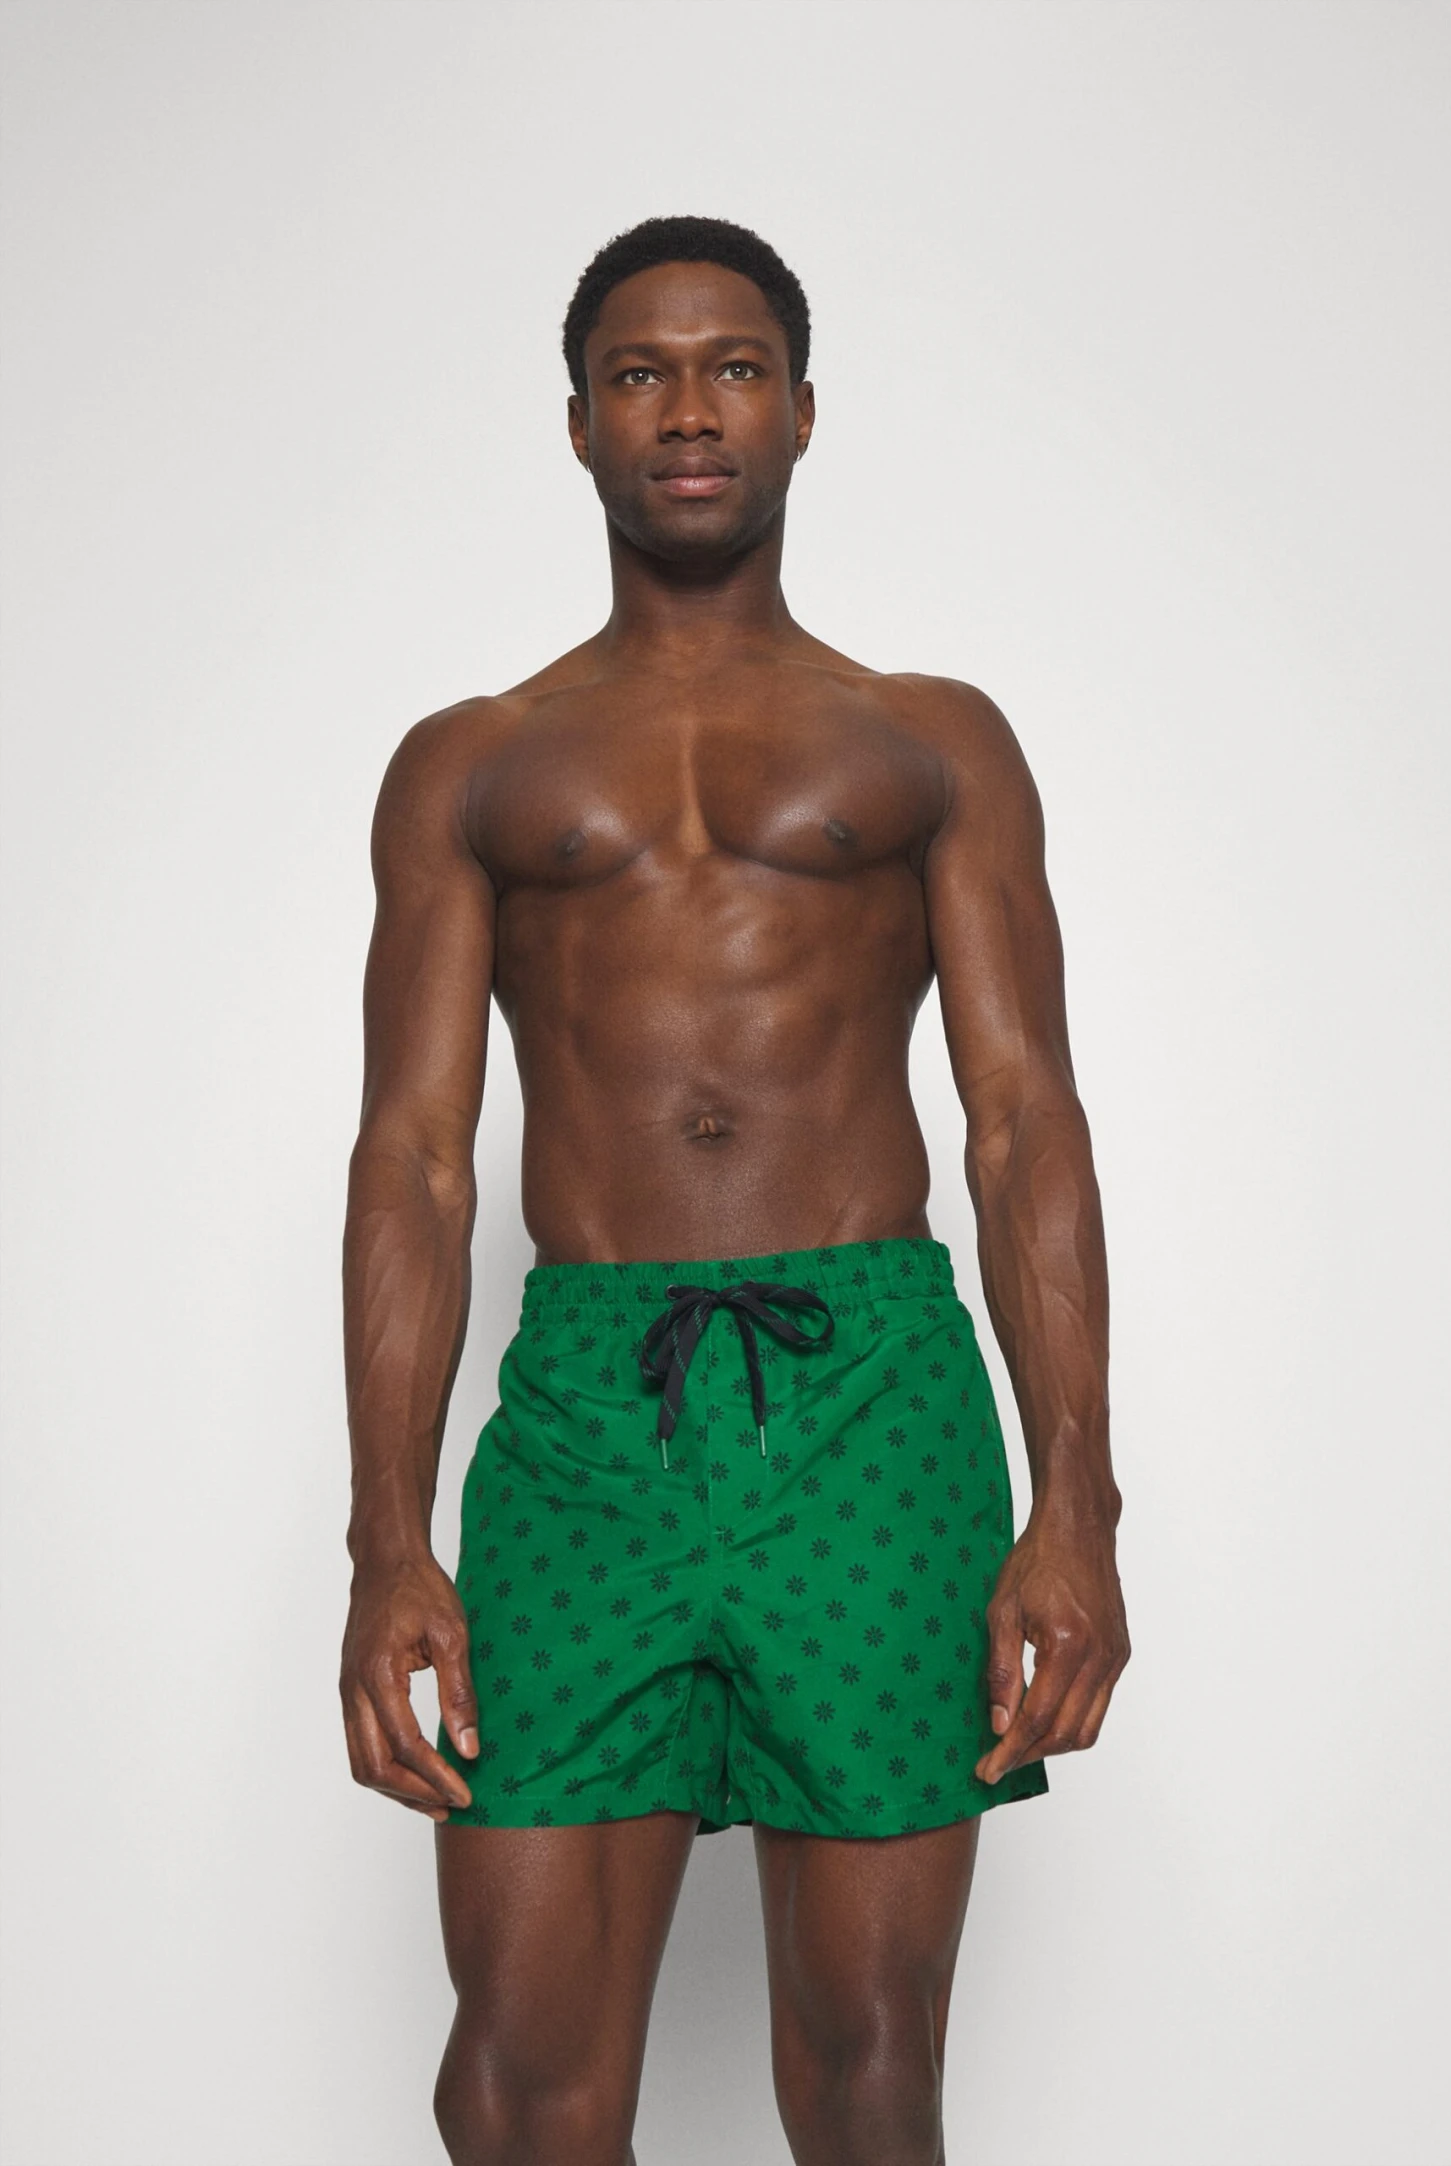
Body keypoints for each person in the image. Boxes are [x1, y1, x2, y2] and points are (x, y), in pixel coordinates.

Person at [339, 214, 1130, 2166]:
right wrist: (387, 1544)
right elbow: (416, 1157)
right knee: (517, 2085)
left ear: (799, 411)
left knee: (868, 2066)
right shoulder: (470, 761)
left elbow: (1023, 1117)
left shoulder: (931, 738)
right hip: (589, 1412)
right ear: (580, 425)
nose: (688, 408)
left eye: (732, 369)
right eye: (640, 374)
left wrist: (1077, 1505)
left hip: (873, 1397)